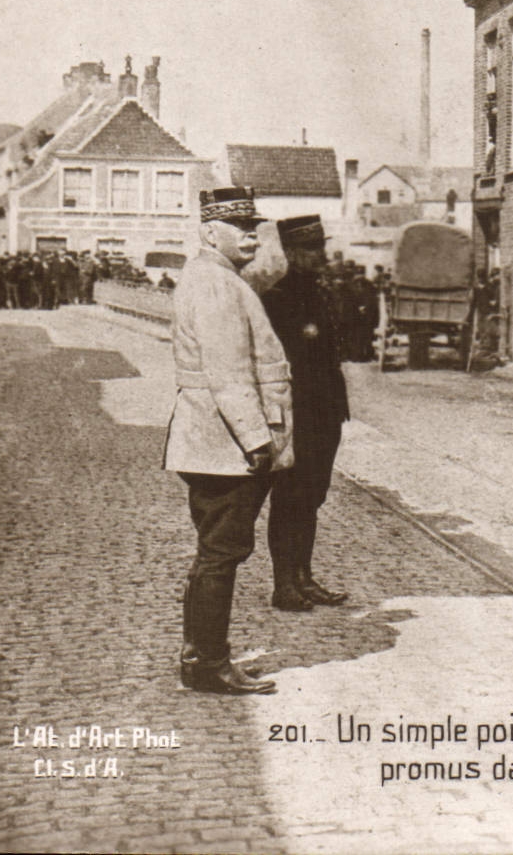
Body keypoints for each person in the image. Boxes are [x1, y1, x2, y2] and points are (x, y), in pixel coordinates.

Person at [162, 186, 292, 695]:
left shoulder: (215, 278)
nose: (252, 238)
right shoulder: (217, 285)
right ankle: (209, 664)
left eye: (255, 229)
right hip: (228, 447)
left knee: (215, 551)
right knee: (221, 553)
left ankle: (201, 656)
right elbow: (229, 373)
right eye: (241, 229)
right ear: (209, 232)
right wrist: (258, 441)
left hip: (215, 441)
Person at [260, 215, 350, 613]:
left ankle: (304, 576)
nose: (322, 255)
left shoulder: (318, 291)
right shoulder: (277, 297)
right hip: (298, 413)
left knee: (312, 496)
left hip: (325, 411)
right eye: (314, 249)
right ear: (293, 253)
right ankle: (284, 584)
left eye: (321, 247)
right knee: (290, 497)